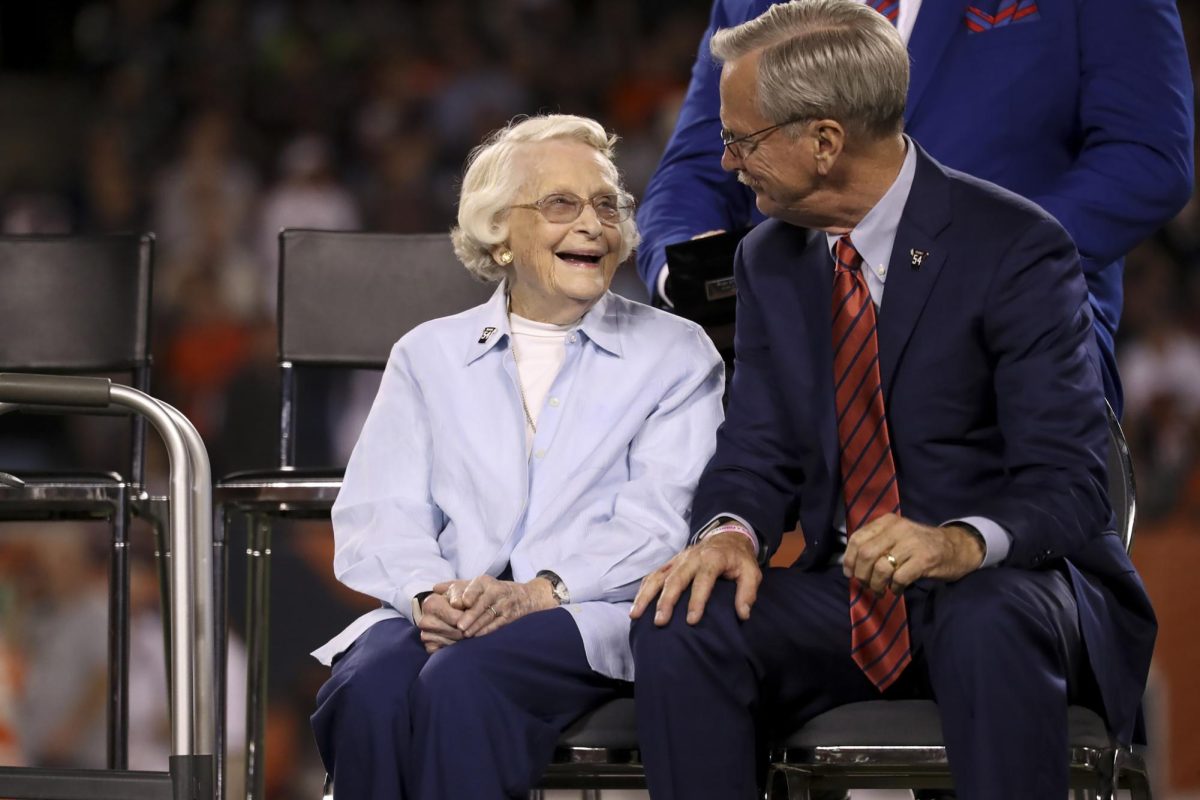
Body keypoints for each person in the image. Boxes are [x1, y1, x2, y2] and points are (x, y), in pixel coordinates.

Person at [628, 3, 1156, 798]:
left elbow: (1072, 485)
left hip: (1006, 578)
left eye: (743, 140)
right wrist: (730, 531)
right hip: (851, 591)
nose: (728, 163)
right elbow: (759, 449)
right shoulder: (771, 258)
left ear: (825, 143)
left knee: (988, 622)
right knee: (688, 619)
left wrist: (958, 543)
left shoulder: (1018, 245)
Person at [309, 114, 724, 800]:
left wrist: (540, 592)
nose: (592, 224)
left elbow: (664, 521)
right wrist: (425, 595)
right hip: (451, 609)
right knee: (367, 688)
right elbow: (380, 512)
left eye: (607, 204)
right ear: (500, 234)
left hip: (592, 613)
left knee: (462, 682)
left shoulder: (677, 354)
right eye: (561, 204)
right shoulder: (427, 354)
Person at [636, 0, 1194, 416]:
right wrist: (691, 278)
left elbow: (1147, 155)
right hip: (789, 350)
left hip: (1004, 337)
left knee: (1001, 556)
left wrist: (975, 263)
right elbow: (696, 168)